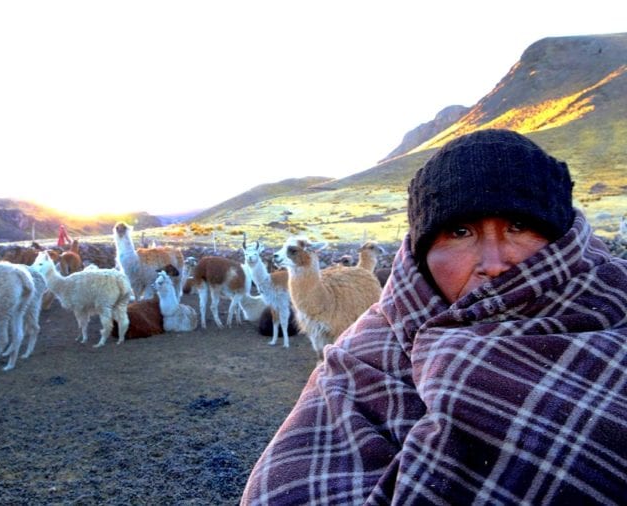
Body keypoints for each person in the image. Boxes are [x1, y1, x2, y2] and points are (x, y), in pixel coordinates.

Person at [241, 129, 627, 504]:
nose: (493, 264)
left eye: (520, 227)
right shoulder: (365, 359)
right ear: (422, 254)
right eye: (460, 232)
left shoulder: (613, 318)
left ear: (563, 242)